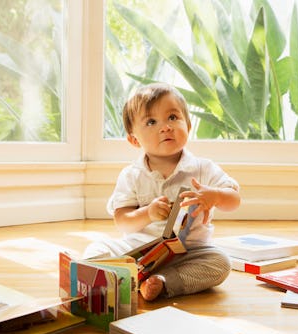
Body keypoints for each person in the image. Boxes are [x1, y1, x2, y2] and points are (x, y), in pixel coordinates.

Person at [83, 82, 240, 301]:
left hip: (189, 253)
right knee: (96, 249)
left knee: (221, 263)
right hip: (138, 251)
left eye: (173, 118)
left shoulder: (202, 168)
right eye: (151, 122)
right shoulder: (132, 175)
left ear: (188, 125)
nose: (165, 127)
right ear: (134, 139)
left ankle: (162, 282)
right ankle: (132, 276)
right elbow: (123, 222)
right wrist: (147, 213)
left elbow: (234, 200)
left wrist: (215, 196)